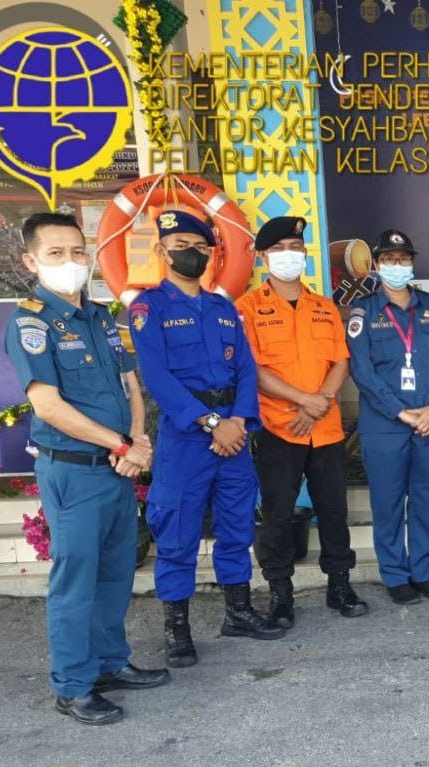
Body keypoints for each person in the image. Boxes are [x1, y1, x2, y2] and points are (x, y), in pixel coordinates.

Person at [2, 212, 168, 725]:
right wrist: (122, 445)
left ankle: (110, 664)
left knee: (116, 574)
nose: (71, 262)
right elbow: (48, 407)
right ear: (31, 261)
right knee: (76, 581)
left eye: (78, 252)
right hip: (74, 472)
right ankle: (73, 685)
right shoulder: (30, 322)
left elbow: (130, 385)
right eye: (56, 254)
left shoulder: (100, 315)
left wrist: (137, 441)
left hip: (118, 468)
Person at [131, 210, 282, 668]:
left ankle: (237, 611)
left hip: (233, 434)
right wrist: (212, 424)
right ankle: (177, 627)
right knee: (176, 531)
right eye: (180, 245)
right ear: (161, 250)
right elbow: (156, 376)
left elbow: (245, 370)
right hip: (186, 436)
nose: (190, 254)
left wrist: (236, 420)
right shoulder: (147, 307)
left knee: (236, 525)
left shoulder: (222, 308)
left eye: (199, 247)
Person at [236, 215, 367, 627]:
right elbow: (252, 369)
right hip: (279, 427)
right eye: (278, 250)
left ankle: (340, 585)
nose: (288, 256)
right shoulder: (248, 308)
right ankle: (280, 593)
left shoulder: (324, 307)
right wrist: (303, 401)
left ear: (306, 255)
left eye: (295, 249)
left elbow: (341, 360)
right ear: (262, 257)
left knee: (333, 509)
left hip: (324, 427)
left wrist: (321, 401)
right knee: (276, 515)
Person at [348, 229, 429, 604]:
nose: (398, 266)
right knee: (388, 500)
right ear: (377, 266)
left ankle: (422, 570)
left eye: (404, 259)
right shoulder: (364, 312)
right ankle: (395, 574)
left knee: (427, 498)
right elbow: (362, 372)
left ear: (412, 264)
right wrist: (399, 411)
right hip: (385, 425)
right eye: (390, 260)